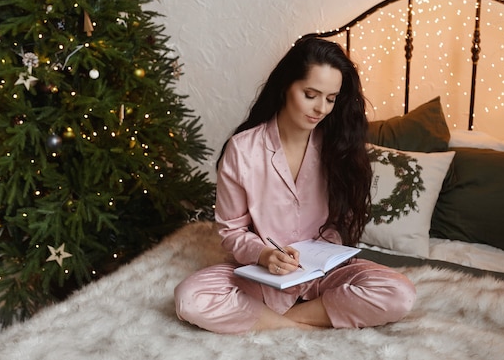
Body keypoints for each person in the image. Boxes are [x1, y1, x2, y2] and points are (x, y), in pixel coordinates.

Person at [174, 37, 415, 334]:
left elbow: (344, 221)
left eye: (330, 98)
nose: (321, 109)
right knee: (190, 299)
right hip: (259, 273)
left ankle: (278, 322)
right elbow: (231, 231)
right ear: (286, 86)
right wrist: (264, 255)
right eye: (310, 94)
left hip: (322, 275)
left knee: (399, 293)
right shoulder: (243, 149)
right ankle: (302, 326)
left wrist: (324, 254)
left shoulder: (339, 146)